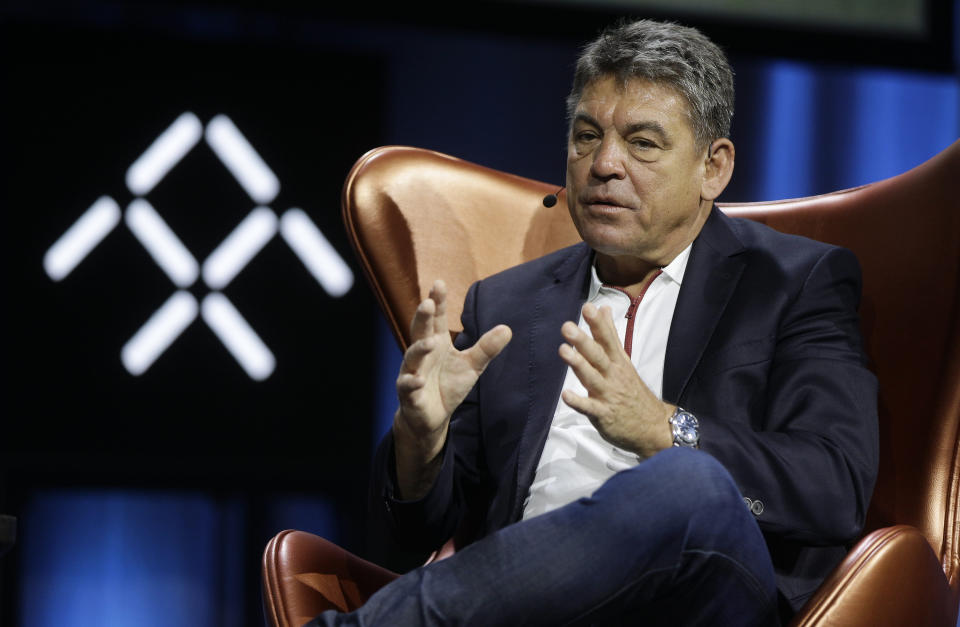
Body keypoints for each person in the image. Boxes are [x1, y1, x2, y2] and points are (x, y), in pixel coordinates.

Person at [310, 18, 878, 626]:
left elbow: (833, 485)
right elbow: (405, 540)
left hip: (696, 600)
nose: (604, 164)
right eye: (586, 137)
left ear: (714, 167)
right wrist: (420, 444)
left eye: (643, 143)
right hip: (528, 603)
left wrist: (663, 427)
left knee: (689, 484)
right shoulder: (506, 307)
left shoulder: (794, 283)